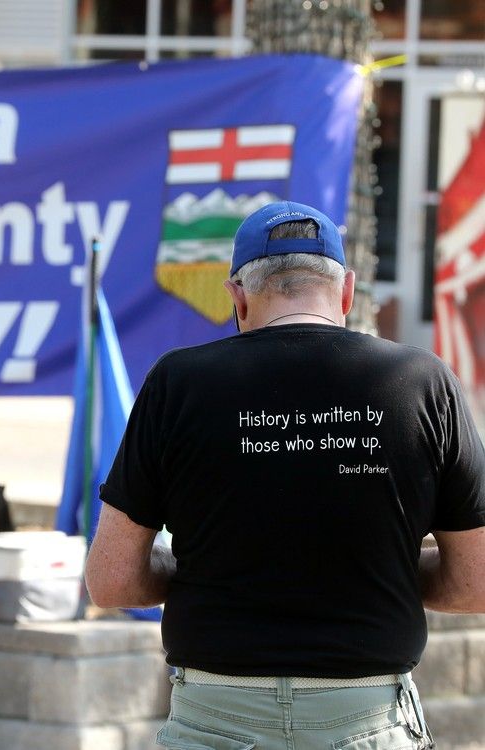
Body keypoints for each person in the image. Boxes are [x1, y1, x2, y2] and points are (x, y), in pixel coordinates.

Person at [85, 200, 485, 749]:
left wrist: (220, 564)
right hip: (365, 723)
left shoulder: (176, 384)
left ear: (238, 297)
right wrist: (364, 568)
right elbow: (476, 581)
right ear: (346, 291)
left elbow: (111, 580)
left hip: (213, 720)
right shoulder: (423, 381)